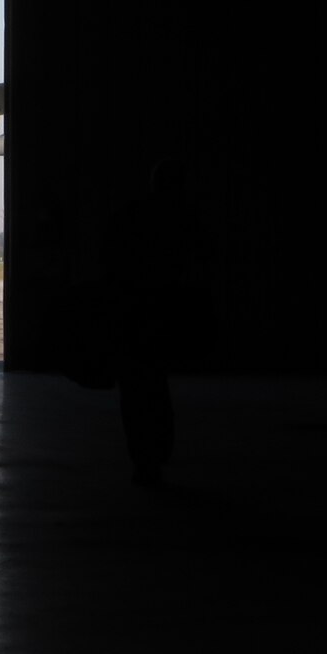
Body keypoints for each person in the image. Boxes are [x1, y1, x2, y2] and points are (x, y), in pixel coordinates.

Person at [123, 157, 212, 485]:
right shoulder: (187, 223)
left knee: (138, 388)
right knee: (157, 386)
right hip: (167, 313)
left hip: (138, 314)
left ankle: (144, 457)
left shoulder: (135, 217)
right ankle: (158, 449)